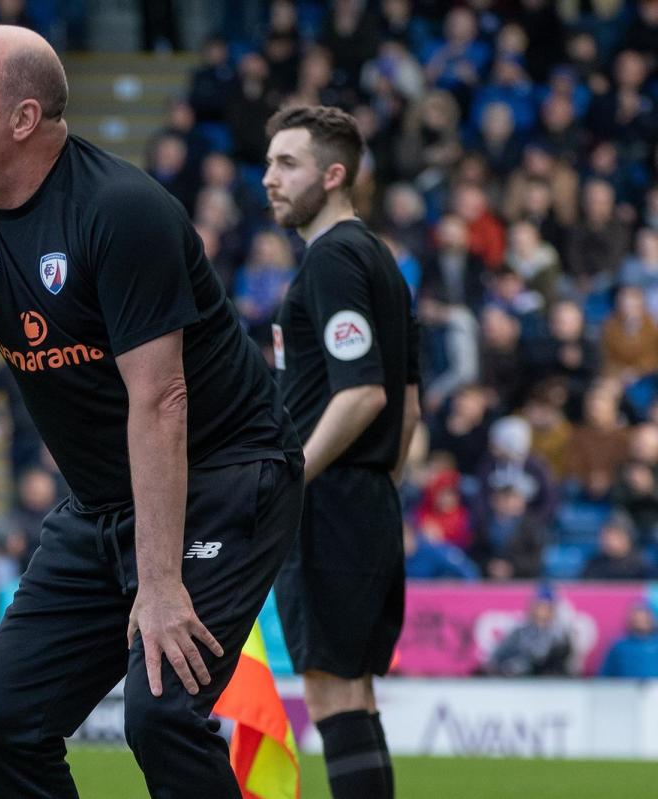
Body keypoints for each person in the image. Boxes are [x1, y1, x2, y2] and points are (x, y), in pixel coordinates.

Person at [0, 26, 303, 799]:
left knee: (162, 712)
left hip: (226, 479)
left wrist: (158, 585)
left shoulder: (121, 209)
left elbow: (161, 400)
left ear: (23, 119)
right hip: (104, 503)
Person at [263, 105, 419, 799]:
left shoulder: (331, 259)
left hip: (332, 499)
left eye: (286, 164)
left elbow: (363, 396)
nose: (269, 178)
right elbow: (408, 401)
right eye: (268, 162)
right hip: (367, 495)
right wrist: (377, 485)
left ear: (333, 175)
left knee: (331, 697)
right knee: (353, 694)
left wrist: (293, 477)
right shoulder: (379, 259)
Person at [599, 603, 658, 678]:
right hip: (625, 688)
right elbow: (605, 675)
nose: (641, 622)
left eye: (644, 619)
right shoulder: (619, 647)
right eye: (637, 619)